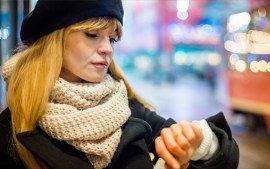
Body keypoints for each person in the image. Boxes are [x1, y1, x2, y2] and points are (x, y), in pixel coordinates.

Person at [0, 0, 239, 169]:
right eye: (92, 35)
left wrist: (199, 142)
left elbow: (226, 157)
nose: (107, 48)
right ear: (54, 40)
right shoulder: (13, 126)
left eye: (113, 39)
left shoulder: (129, 109)